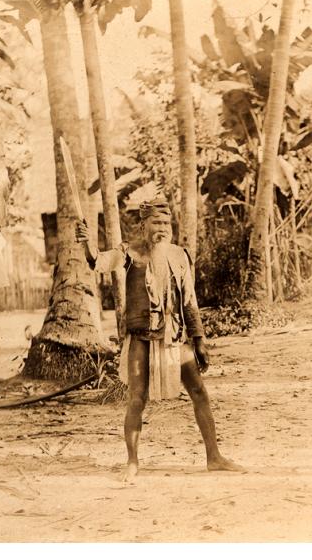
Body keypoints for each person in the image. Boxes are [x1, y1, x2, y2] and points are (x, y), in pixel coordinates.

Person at [75, 197, 243, 482]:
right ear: (144, 225)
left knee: (199, 392)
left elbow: (189, 300)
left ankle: (214, 457)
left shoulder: (180, 256)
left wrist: (199, 339)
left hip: (176, 335)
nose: (162, 228)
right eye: (156, 222)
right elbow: (99, 262)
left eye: (166, 223)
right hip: (141, 336)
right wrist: (87, 244)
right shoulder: (129, 253)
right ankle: (132, 461)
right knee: (136, 398)